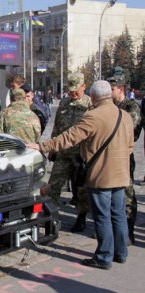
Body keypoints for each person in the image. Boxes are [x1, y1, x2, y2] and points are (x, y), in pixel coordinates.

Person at [27, 80, 134, 270]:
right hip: (121, 175)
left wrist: (42, 146)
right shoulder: (124, 116)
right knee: (118, 214)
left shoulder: (93, 116)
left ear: (92, 96)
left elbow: (68, 138)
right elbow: (130, 147)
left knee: (102, 217)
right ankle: (121, 253)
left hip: (101, 176)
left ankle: (103, 257)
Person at [47, 73, 91, 234]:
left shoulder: (90, 105)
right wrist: (52, 149)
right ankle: (51, 218)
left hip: (80, 155)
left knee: (81, 190)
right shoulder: (64, 103)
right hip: (63, 154)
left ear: (84, 86)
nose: (73, 94)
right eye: (71, 90)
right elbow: (57, 127)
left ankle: (81, 218)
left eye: (76, 90)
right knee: (53, 186)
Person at [108, 70, 141, 244]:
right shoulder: (111, 107)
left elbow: (128, 130)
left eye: (111, 89)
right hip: (111, 155)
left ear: (120, 88)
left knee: (127, 192)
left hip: (125, 155)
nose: (109, 92)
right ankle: (115, 229)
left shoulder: (131, 107)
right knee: (113, 192)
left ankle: (129, 230)